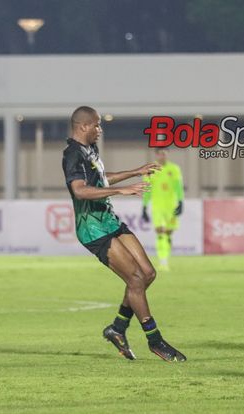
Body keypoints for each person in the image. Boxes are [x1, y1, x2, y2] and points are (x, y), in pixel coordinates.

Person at [61, 106, 186, 362]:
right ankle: (155, 340)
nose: (100, 129)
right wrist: (123, 191)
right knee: (136, 280)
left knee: (148, 274)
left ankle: (117, 329)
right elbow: (80, 191)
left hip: (109, 220)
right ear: (83, 126)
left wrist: (134, 172)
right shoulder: (72, 155)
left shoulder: (90, 150)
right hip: (93, 229)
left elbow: (101, 179)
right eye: (96, 125)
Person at [142, 148, 184, 271]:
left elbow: (178, 187)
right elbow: (147, 189)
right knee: (160, 232)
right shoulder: (151, 170)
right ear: (156, 155)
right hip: (157, 207)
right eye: (160, 154)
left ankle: (166, 257)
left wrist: (181, 202)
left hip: (171, 206)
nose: (162, 156)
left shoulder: (174, 169)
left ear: (167, 155)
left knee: (169, 233)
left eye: (164, 154)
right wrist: (144, 206)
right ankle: (163, 261)